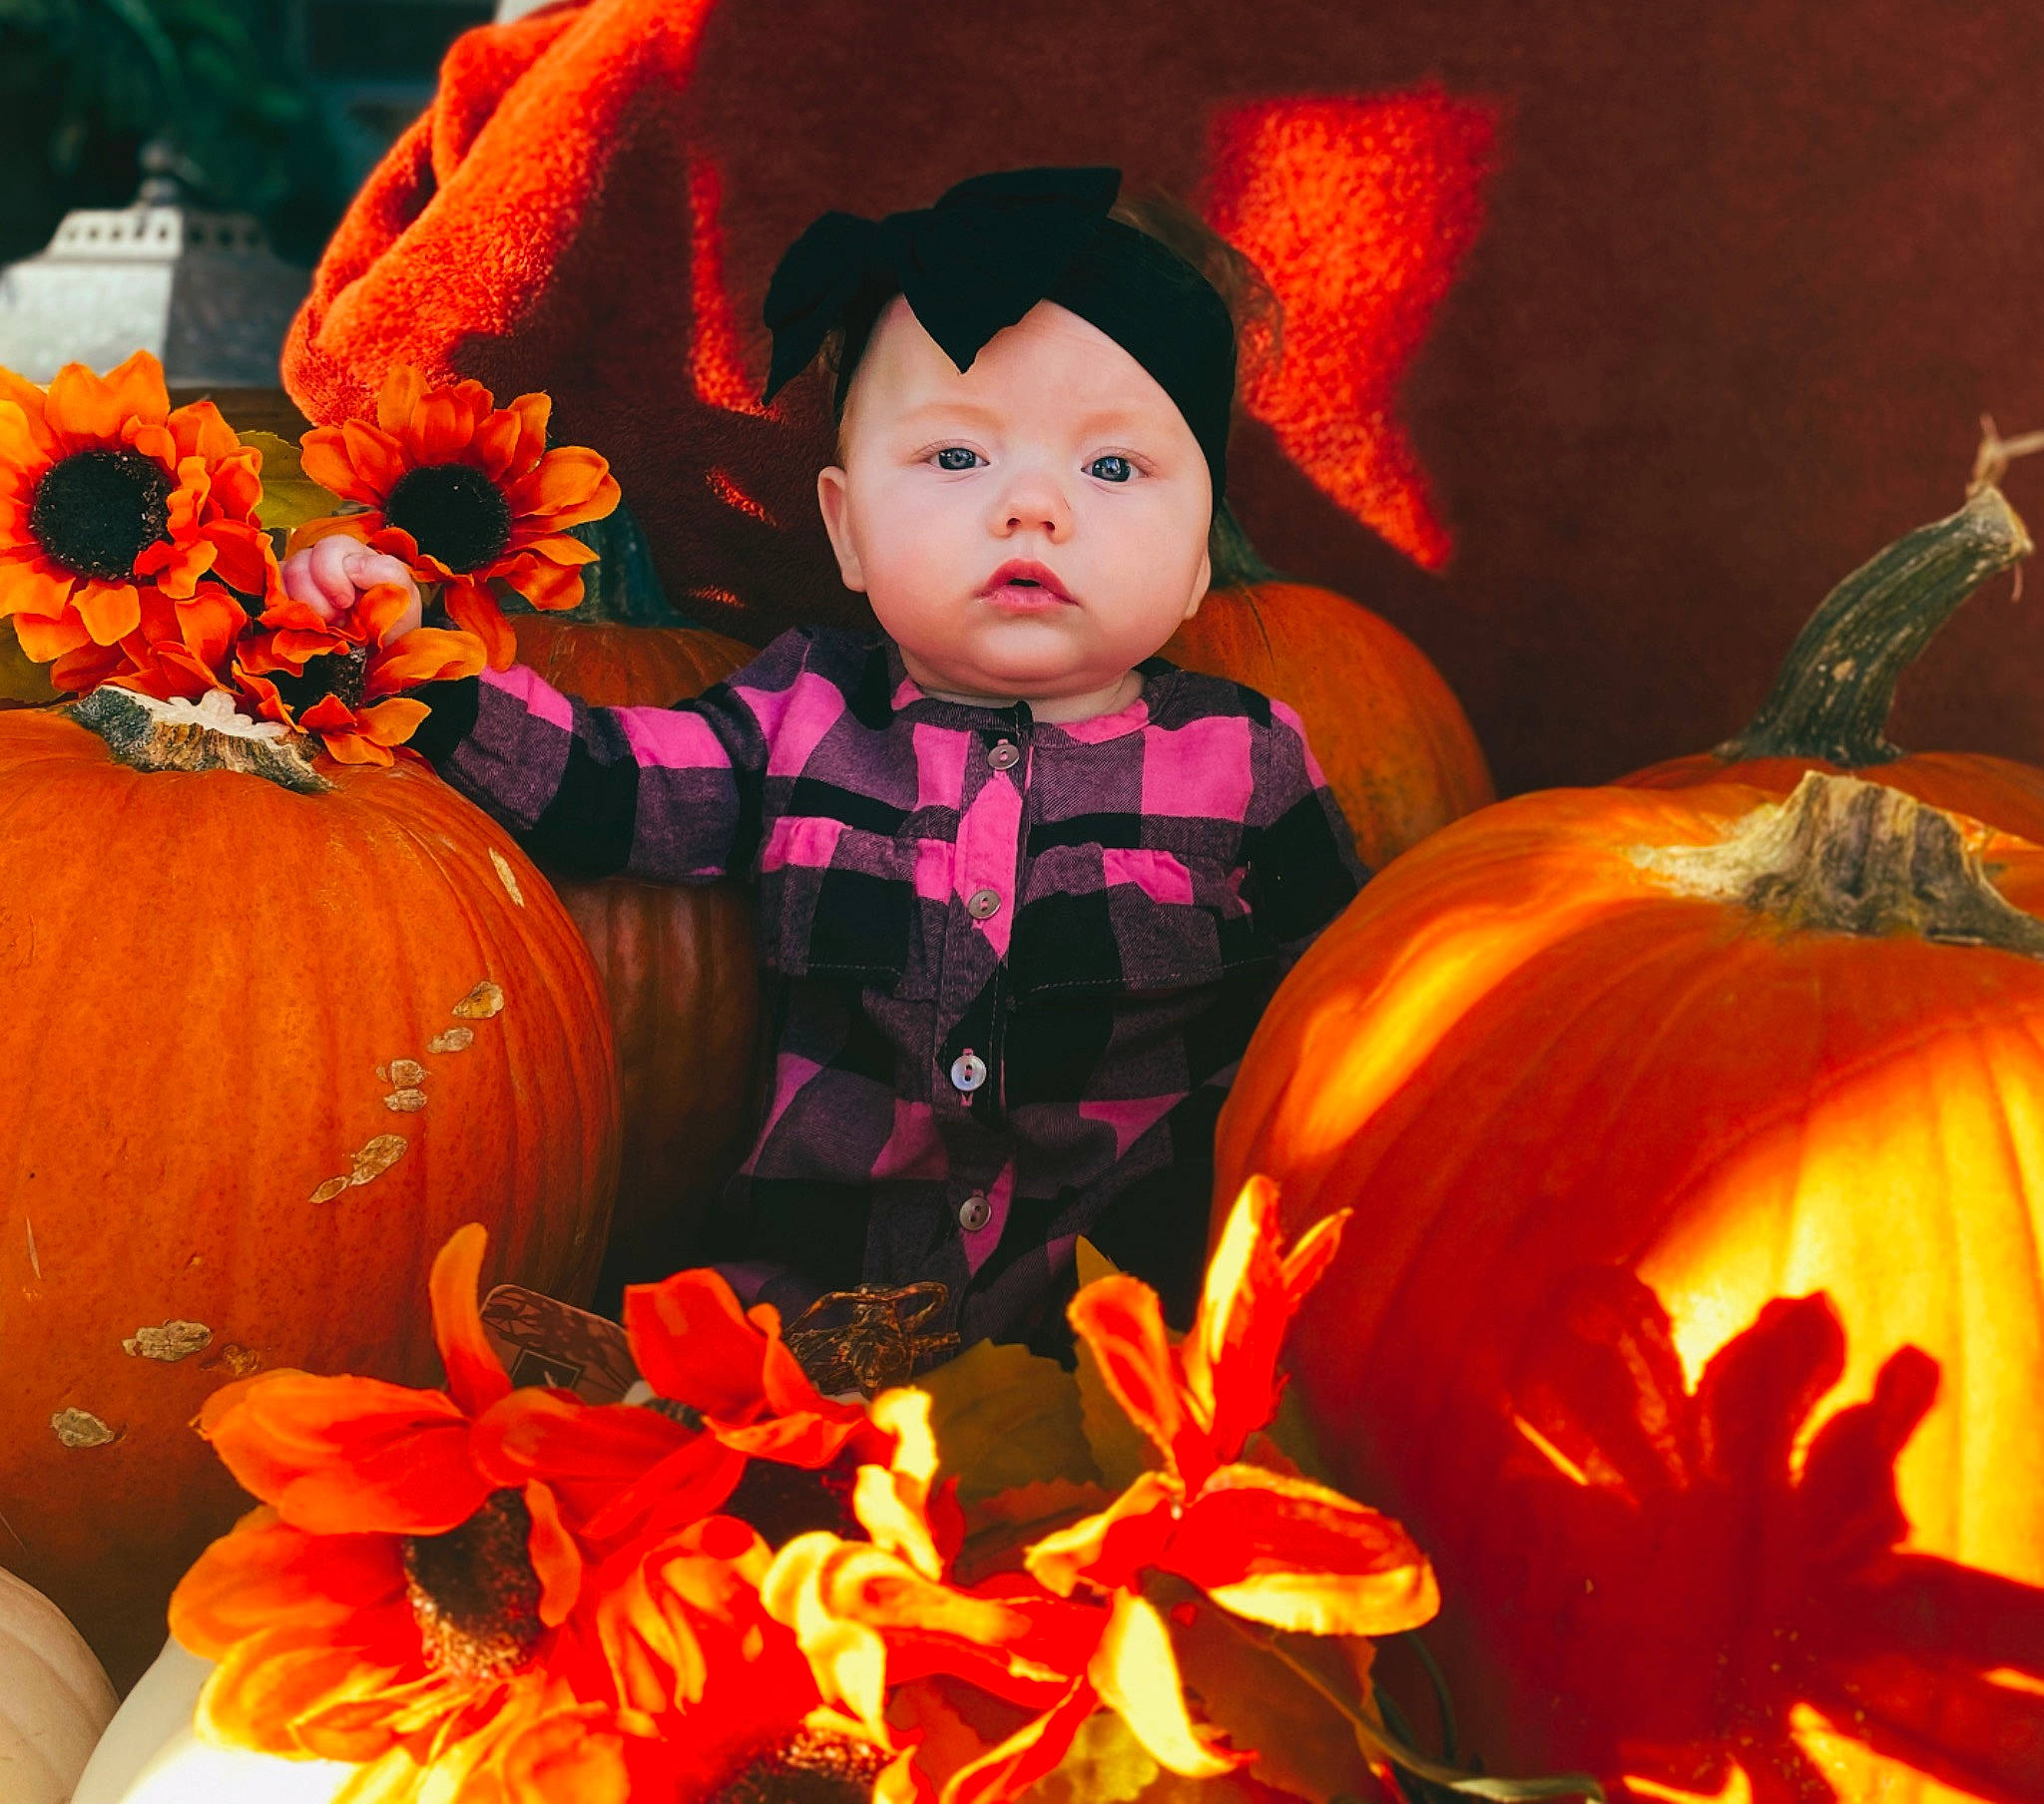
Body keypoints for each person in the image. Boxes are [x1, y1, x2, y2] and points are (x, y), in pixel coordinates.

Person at [281, 167, 1363, 1364]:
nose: (1032, 510)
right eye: (957, 457)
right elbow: (601, 779)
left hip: (1122, 1338)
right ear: (845, 527)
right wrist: (409, 665)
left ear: (1201, 554)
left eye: (1112, 470)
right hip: (801, 1331)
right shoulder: (797, 718)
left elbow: (1352, 1028)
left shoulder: (1247, 761)